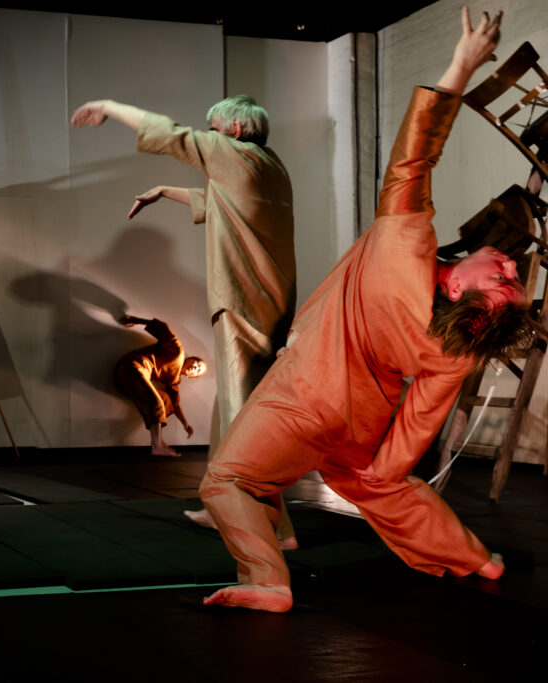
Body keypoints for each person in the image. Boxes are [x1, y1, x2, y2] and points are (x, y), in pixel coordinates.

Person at [196, 8, 535, 613]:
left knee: (226, 481)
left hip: (304, 395)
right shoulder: (453, 353)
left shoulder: (403, 249)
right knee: (376, 482)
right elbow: (401, 453)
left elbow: (413, 157)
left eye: (504, 279)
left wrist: (460, 65)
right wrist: (379, 470)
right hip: (358, 423)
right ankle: (474, 558)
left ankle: (268, 580)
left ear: (461, 291)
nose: (511, 266)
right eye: (514, 273)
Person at [71, 81, 298, 546]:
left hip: (241, 303)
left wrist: (109, 104)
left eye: (214, 127)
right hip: (271, 301)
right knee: (230, 407)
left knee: (242, 416)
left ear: (234, 129)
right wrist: (164, 191)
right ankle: (224, 506)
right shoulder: (271, 168)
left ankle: (275, 527)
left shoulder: (232, 153)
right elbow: (225, 204)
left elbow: (172, 134)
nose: (209, 133)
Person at [113, 315, 206, 456]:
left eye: (198, 370)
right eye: (197, 363)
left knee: (165, 400)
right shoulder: (177, 352)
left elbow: (175, 405)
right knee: (156, 401)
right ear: (190, 358)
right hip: (131, 367)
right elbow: (163, 328)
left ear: (190, 376)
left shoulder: (174, 381)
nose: (196, 367)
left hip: (129, 383)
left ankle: (159, 442)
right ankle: (157, 446)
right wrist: (135, 320)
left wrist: (185, 424)